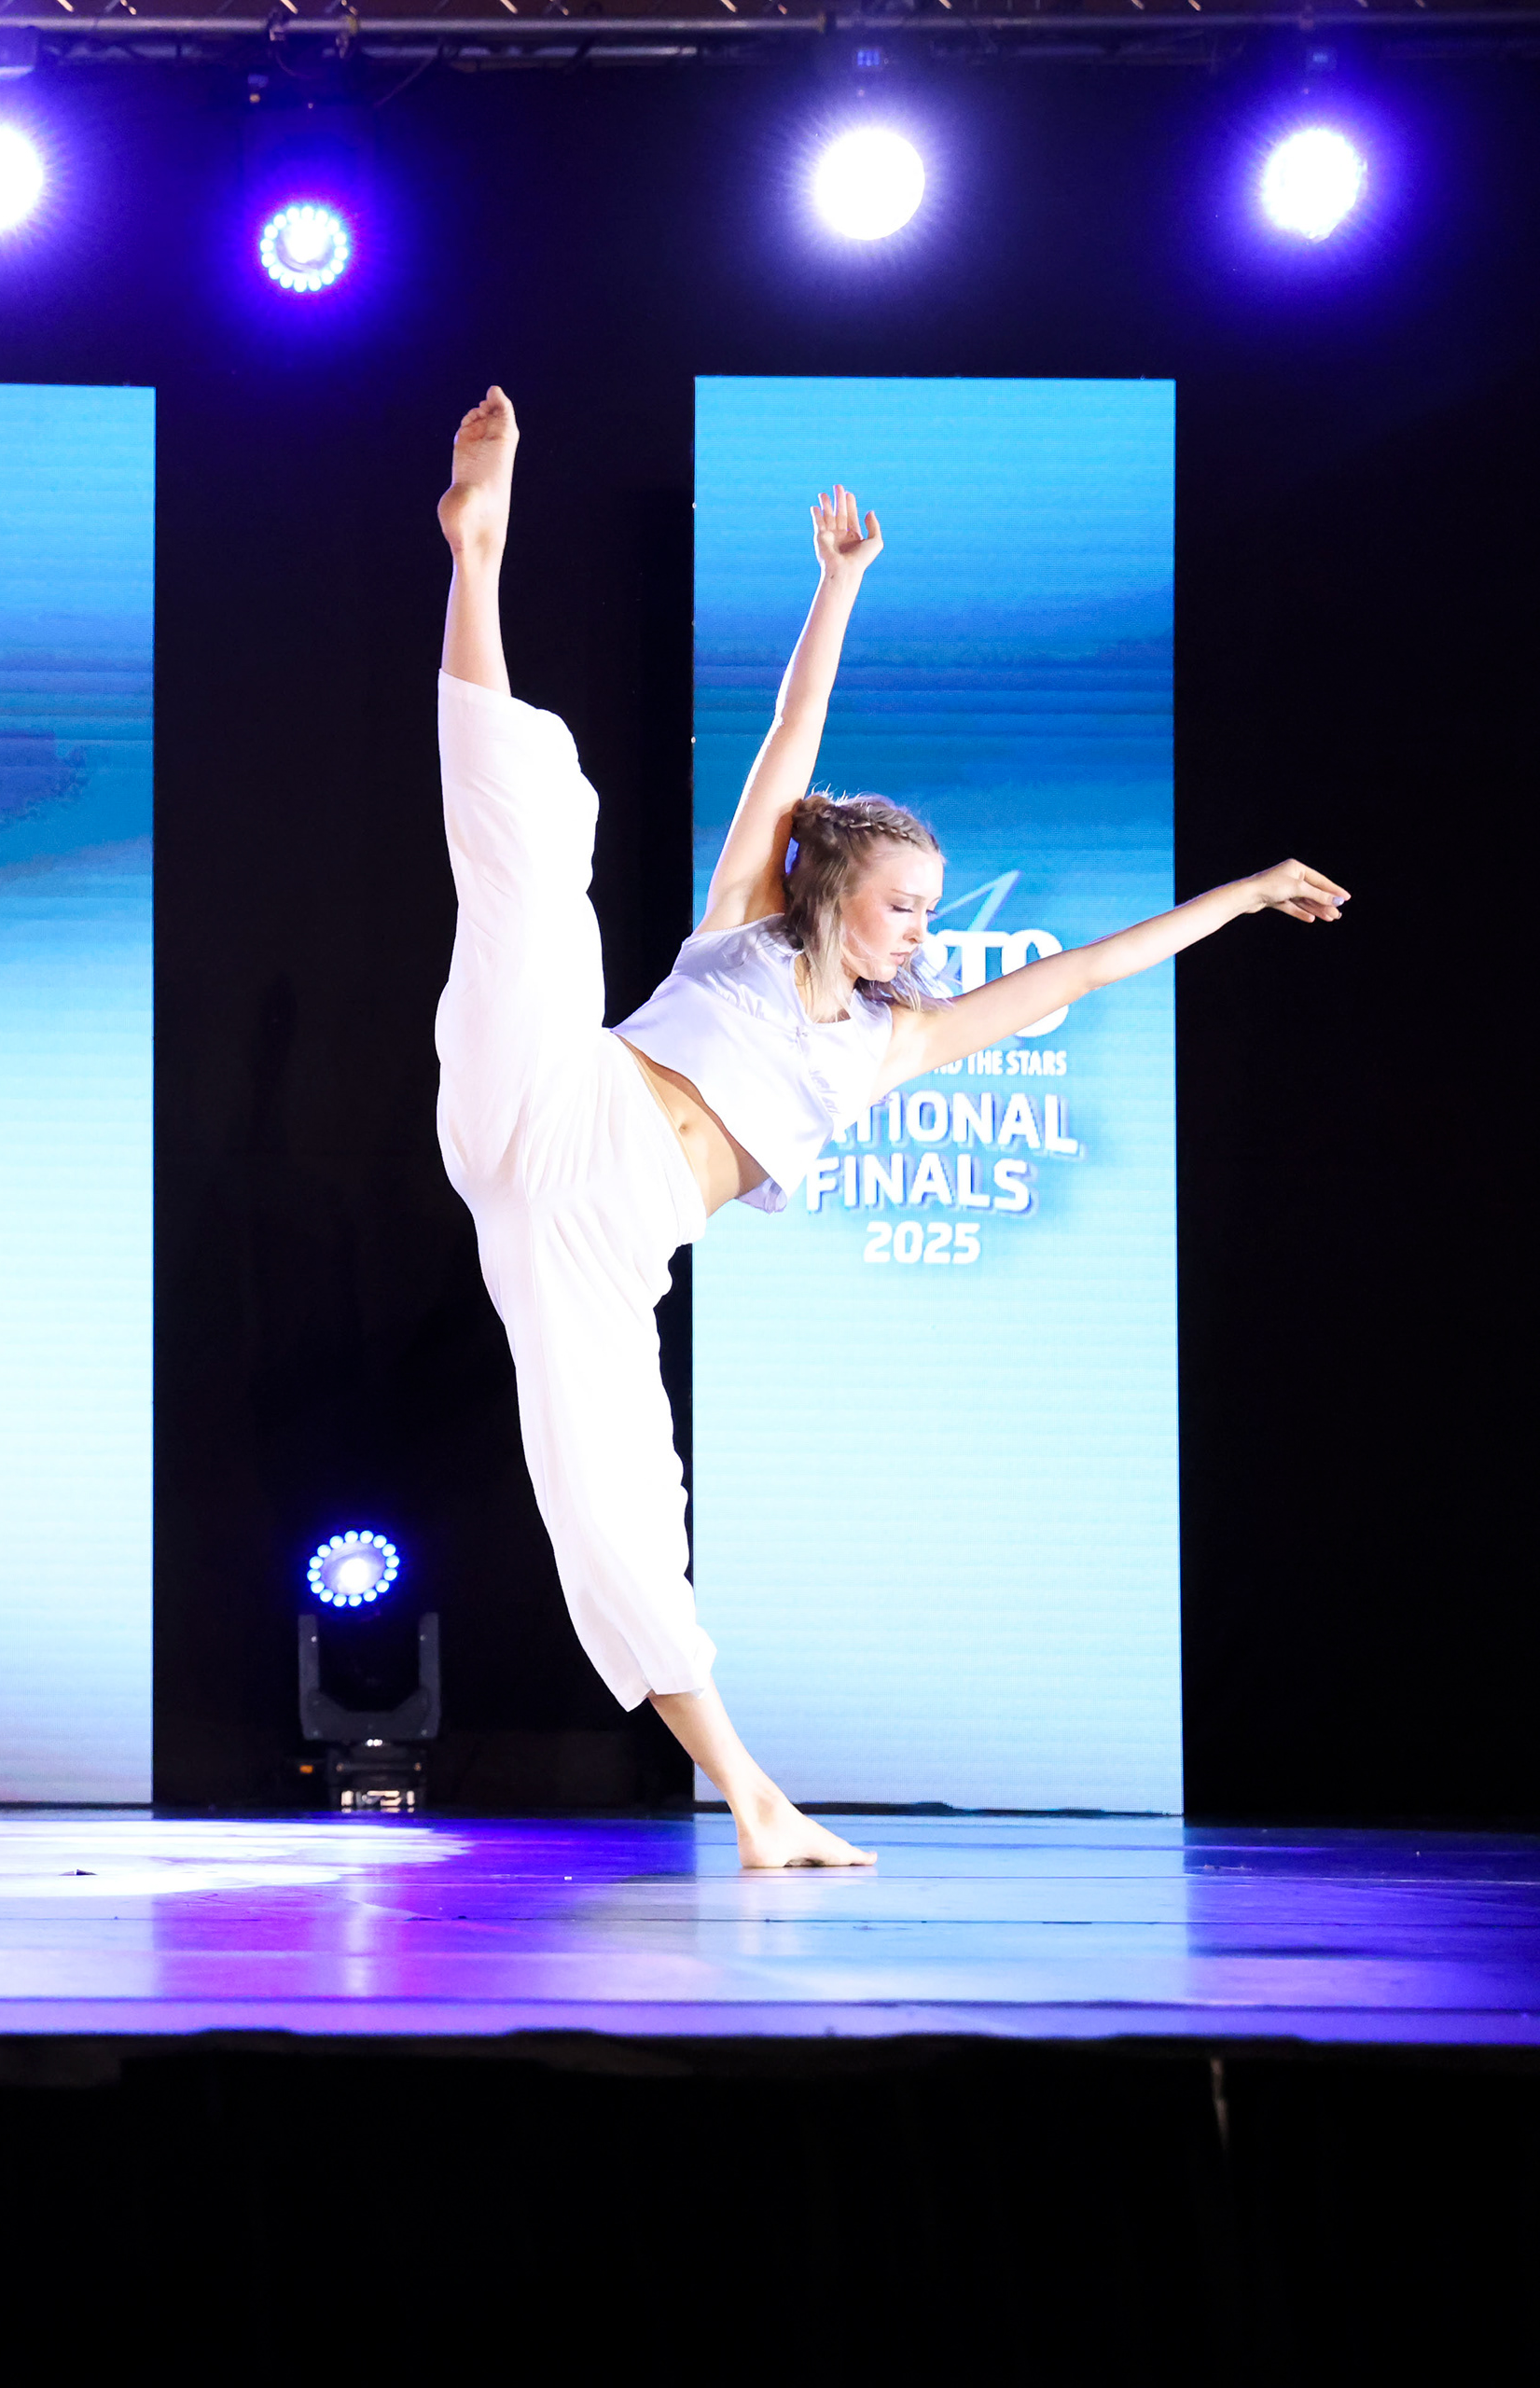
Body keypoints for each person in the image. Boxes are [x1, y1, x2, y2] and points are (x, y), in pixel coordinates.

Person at [428, 387, 1344, 1867]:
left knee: (621, 1518)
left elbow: (1079, 970)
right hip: (561, 1100)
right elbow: (792, 732)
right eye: (905, 902)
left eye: (930, 908)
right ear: (835, 891)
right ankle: (477, 555)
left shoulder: (895, 1043)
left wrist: (1238, 899)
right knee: (531, 879)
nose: (924, 927)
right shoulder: (742, 924)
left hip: (601, 1250)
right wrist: (837, 587)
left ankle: (756, 1803)